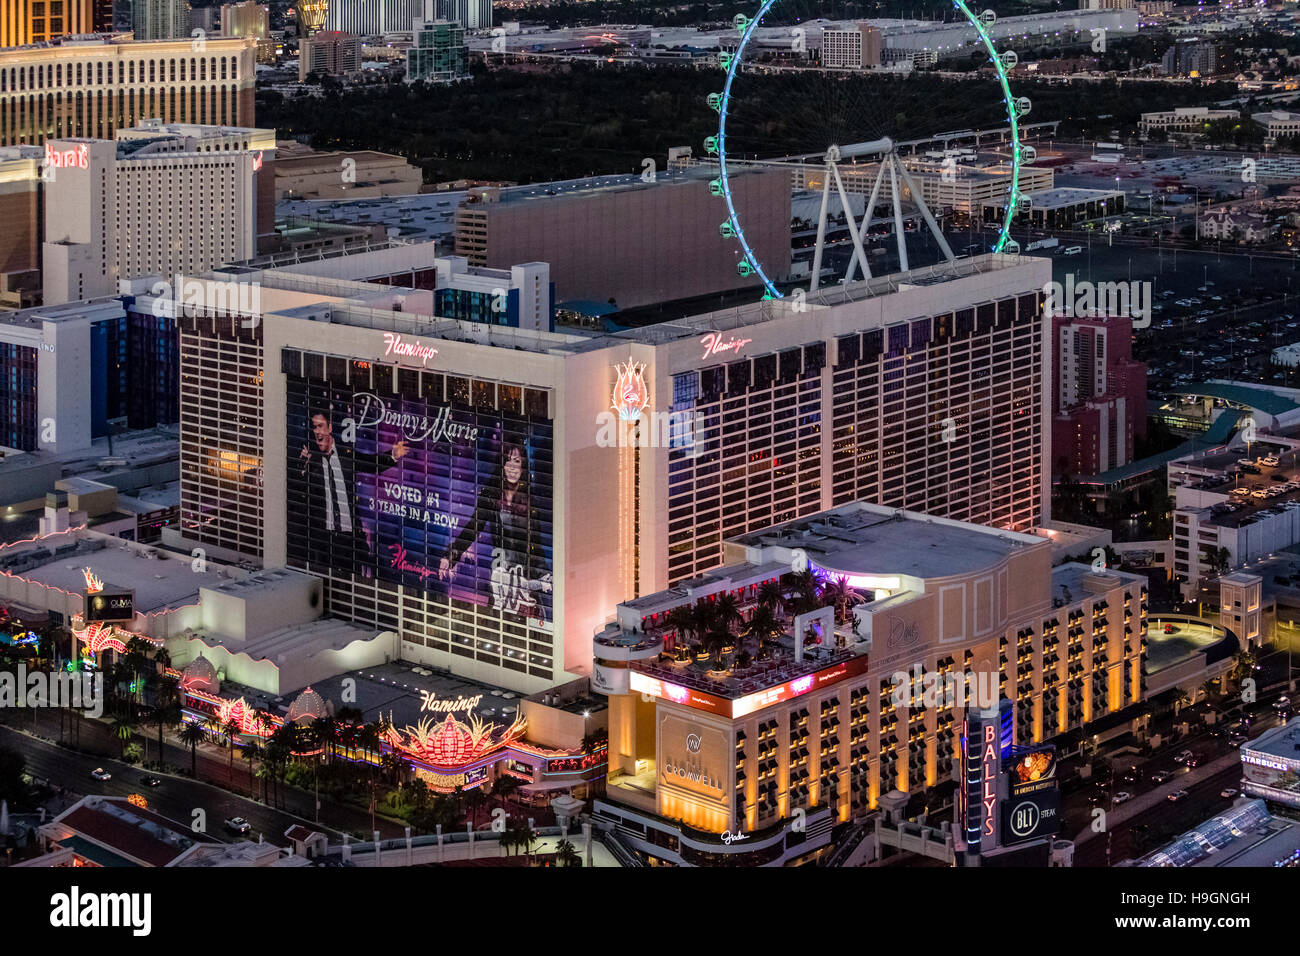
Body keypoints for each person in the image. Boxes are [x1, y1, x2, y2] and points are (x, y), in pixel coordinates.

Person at [439, 442, 552, 618]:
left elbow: (536, 542)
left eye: (517, 461)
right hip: (501, 569)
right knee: (501, 615)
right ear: (502, 465)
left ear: (523, 466)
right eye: (508, 461)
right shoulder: (491, 495)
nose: (513, 467)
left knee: (530, 618)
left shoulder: (531, 498)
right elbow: (473, 527)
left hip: (526, 572)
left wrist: (544, 573)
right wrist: (451, 555)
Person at [299, 406, 408, 574]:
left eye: (320, 426)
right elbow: (302, 497)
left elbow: (370, 463)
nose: (317, 432)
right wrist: (302, 468)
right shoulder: (312, 462)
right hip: (323, 542)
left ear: (330, 427)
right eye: (314, 427)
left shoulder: (345, 455)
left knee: (351, 586)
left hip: (349, 541)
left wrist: (393, 454)